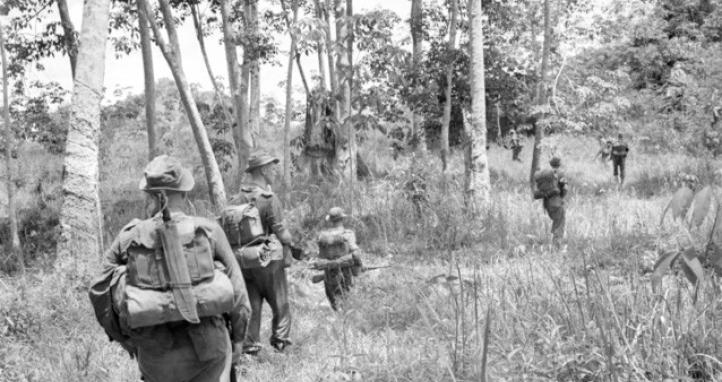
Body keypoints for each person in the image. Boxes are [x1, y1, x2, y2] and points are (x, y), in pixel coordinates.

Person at [90, 155, 251, 382]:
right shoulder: (208, 230)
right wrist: (238, 340)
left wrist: (128, 340)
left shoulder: (130, 236)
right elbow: (239, 293)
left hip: (156, 355)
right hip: (210, 349)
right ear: (184, 193)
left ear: (152, 198)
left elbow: (98, 290)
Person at [229, 151, 304, 355]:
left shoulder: (235, 199)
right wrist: (293, 242)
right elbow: (281, 233)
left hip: (244, 262)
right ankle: (281, 343)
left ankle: (250, 347)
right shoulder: (269, 198)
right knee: (281, 303)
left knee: (252, 305)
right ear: (262, 170)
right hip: (269, 261)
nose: (273, 171)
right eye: (271, 167)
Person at [312, 207, 363, 311]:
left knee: (335, 305)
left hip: (329, 276)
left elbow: (320, 258)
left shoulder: (322, 236)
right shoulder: (348, 234)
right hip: (346, 273)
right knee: (348, 303)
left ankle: (338, 323)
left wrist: (331, 263)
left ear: (330, 220)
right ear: (342, 219)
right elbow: (356, 255)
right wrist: (359, 268)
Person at [533, 156, 568, 246]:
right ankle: (556, 248)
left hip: (547, 205)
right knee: (559, 226)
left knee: (556, 223)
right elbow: (565, 189)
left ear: (550, 164)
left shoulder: (545, 174)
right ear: (559, 164)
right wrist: (561, 197)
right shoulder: (560, 173)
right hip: (557, 203)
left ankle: (553, 245)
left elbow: (538, 191)